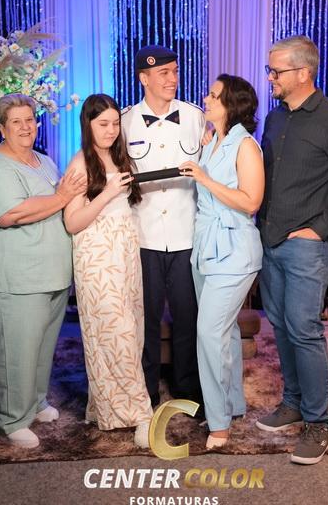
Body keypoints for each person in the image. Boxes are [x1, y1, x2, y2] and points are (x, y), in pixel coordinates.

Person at [256, 35, 328, 464]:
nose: (270, 77)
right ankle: (293, 403)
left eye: (276, 71)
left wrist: (320, 230)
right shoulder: (275, 118)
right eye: (270, 70)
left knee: (304, 329)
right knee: (282, 326)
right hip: (270, 240)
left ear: (304, 72)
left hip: (307, 247)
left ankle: (319, 425)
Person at [0, 93, 86, 449]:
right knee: (17, 350)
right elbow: (9, 215)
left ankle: (34, 403)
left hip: (49, 274)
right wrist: (61, 198)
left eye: (29, 119)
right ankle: (10, 418)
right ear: (3, 128)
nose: (25, 127)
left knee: (41, 346)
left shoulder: (43, 161)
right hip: (13, 276)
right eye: (15, 122)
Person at [180, 74, 264, 449]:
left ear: (231, 103)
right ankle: (231, 406)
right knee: (225, 332)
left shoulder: (246, 146)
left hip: (234, 252)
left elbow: (251, 201)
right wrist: (205, 152)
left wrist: (204, 177)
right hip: (206, 249)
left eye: (214, 95)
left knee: (209, 334)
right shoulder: (213, 140)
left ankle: (218, 424)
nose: (206, 98)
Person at [64, 94, 153, 448]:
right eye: (103, 124)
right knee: (118, 333)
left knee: (130, 330)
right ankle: (142, 415)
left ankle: (107, 407)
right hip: (97, 258)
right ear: (87, 125)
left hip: (125, 255)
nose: (111, 130)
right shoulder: (80, 164)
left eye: (115, 124)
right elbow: (72, 222)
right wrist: (107, 193)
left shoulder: (119, 157)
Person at [120, 45, 205, 410]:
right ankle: (147, 390)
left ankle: (186, 387)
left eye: (175, 71)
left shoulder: (196, 117)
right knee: (147, 317)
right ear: (144, 78)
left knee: (188, 315)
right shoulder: (123, 121)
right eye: (164, 73)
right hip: (145, 236)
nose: (173, 79)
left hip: (187, 234)